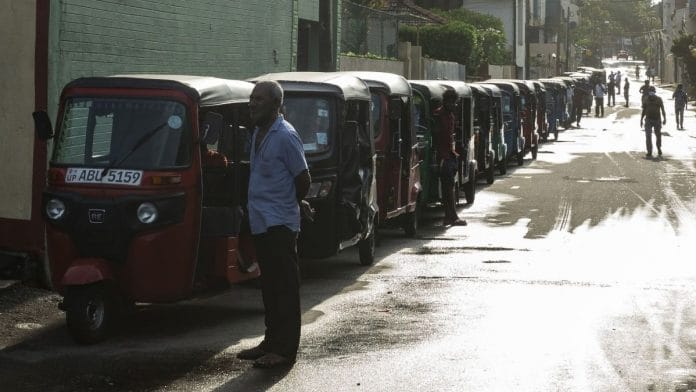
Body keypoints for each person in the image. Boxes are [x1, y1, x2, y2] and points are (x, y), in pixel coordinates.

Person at [236, 80, 312, 369]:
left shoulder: (285, 136)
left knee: (285, 288)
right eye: (252, 98)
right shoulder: (258, 132)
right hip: (261, 221)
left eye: (260, 99)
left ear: (276, 105)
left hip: (280, 223)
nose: (253, 103)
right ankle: (270, 342)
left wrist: (291, 203)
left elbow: (303, 179)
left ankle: (285, 350)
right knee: (269, 286)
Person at [433, 90, 467, 227]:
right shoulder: (439, 115)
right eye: (451, 102)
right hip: (443, 156)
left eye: (454, 102)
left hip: (450, 154)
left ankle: (451, 216)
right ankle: (450, 217)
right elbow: (436, 138)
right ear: (446, 101)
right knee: (448, 188)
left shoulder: (450, 115)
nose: (453, 105)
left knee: (451, 187)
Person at [640, 86, 666, 158]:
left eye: (652, 91)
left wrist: (664, 118)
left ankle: (658, 147)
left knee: (658, 135)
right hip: (648, 120)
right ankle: (649, 151)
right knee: (648, 136)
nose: (651, 92)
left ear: (654, 92)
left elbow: (663, 109)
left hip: (657, 120)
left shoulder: (659, 99)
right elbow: (644, 110)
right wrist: (641, 119)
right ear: (649, 92)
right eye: (650, 91)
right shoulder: (646, 99)